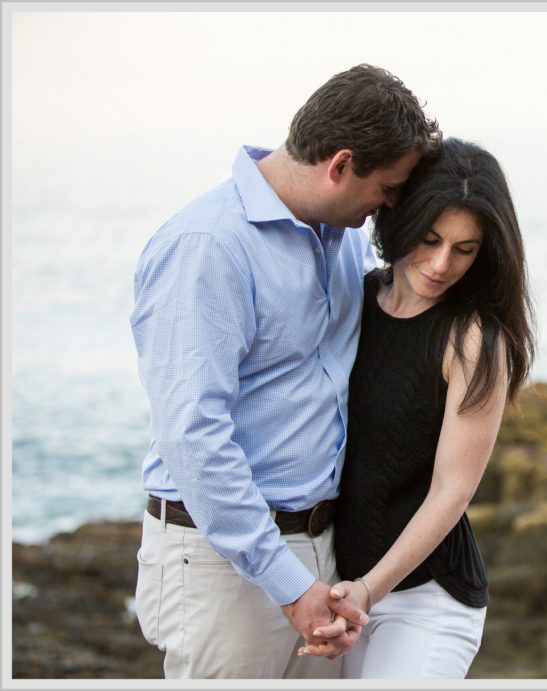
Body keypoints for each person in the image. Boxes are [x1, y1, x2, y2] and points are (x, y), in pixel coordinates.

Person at [129, 64, 440, 679]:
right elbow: (193, 434)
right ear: (341, 164)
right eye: (388, 187)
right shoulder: (207, 245)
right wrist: (288, 582)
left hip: (322, 549)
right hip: (221, 561)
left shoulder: (344, 240)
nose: (390, 205)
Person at [297, 138, 536, 678]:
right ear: (399, 219)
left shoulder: (473, 340)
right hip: (336, 586)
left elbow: (452, 491)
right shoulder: (351, 301)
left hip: (426, 598)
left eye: (464, 249)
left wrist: (367, 589)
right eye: (429, 239)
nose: (440, 263)